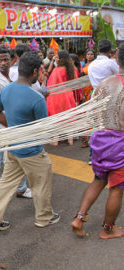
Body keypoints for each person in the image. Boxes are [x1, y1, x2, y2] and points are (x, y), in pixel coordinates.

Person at [0, 51, 60, 232]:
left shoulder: (7, 89)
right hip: (31, 151)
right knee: (41, 182)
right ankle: (44, 217)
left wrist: (12, 126)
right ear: (34, 71)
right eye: (39, 71)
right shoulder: (37, 99)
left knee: (5, 184)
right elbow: (43, 129)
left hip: (13, 147)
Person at [71, 43, 124, 240]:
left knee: (98, 180)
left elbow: (93, 115)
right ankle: (108, 229)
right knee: (117, 188)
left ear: (117, 59)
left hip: (100, 139)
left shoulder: (104, 84)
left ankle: (78, 218)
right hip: (120, 143)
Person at [0, 46, 32, 205]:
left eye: (6, 59)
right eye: (0, 60)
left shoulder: (10, 76)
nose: (4, 63)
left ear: (12, 60)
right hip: (2, 126)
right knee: (3, 159)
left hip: (9, 125)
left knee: (13, 157)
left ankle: (19, 188)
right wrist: (13, 125)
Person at [87, 40, 119, 165]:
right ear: (110, 51)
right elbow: (120, 74)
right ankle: (109, 155)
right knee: (110, 126)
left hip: (95, 96)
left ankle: (92, 155)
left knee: (96, 126)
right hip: (110, 97)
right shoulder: (110, 63)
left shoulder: (92, 65)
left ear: (98, 50)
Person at [46, 50, 76, 146]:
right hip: (68, 95)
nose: (56, 58)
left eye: (57, 57)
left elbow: (52, 85)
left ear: (61, 59)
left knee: (56, 117)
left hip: (57, 96)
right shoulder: (71, 69)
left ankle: (55, 140)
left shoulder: (57, 70)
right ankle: (70, 140)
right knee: (69, 117)